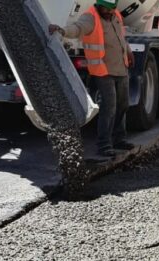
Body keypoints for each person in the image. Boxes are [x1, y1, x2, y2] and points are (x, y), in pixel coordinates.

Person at [49, 0, 135, 159]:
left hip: (121, 68)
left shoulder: (115, 15)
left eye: (112, 9)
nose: (110, 12)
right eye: (107, 9)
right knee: (109, 107)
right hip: (103, 71)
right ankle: (104, 145)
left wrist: (128, 51)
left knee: (123, 104)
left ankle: (119, 139)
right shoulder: (91, 17)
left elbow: (120, 36)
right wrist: (62, 30)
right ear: (99, 5)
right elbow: (77, 29)